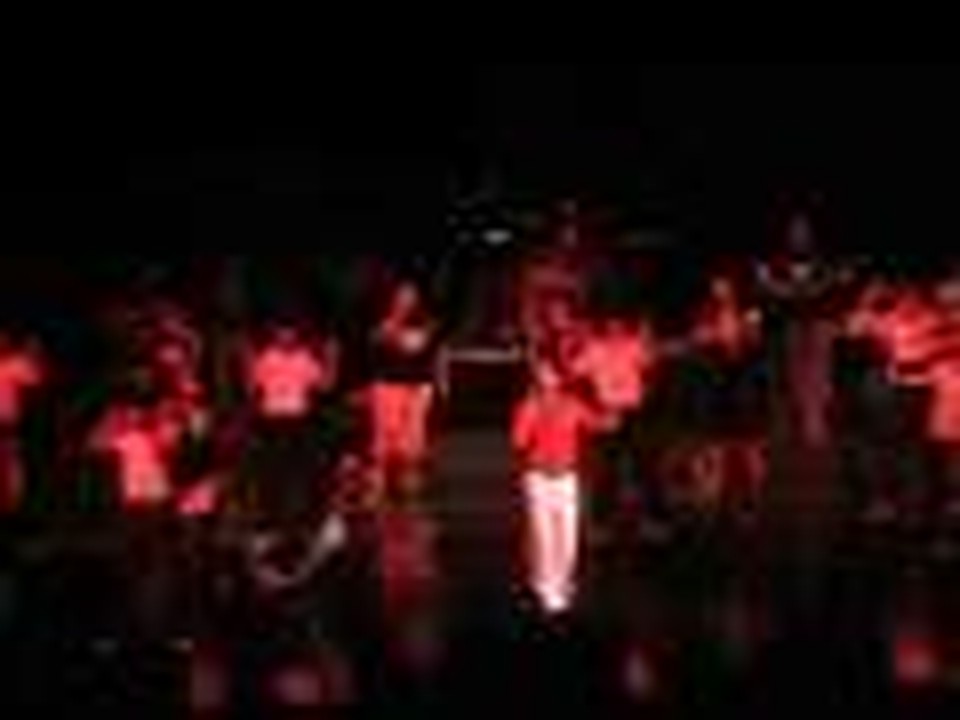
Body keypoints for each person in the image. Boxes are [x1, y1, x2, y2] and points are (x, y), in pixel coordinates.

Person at [511, 355, 602, 615]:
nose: (545, 377)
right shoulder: (529, 405)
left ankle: (563, 584)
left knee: (568, 534)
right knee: (543, 535)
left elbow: (596, 423)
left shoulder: (572, 404)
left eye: (550, 372)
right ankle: (545, 588)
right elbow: (518, 440)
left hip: (566, 476)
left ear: (560, 377)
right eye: (541, 372)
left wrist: (606, 401)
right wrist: (531, 415)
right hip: (539, 476)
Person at [365, 281, 440, 505]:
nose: (406, 301)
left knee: (413, 440)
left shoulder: (427, 322)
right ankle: (377, 488)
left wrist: (436, 383)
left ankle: (410, 490)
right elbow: (378, 339)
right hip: (387, 384)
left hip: (417, 386)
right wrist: (394, 326)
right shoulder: (380, 320)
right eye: (402, 296)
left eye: (410, 296)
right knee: (384, 438)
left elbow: (419, 346)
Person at [0, 331, 45, 513]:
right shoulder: (12, 364)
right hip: (8, 422)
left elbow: (36, 378)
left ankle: (12, 503)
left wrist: (34, 354)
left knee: (12, 461)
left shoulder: (13, 364)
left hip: (8, 423)